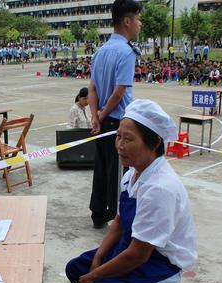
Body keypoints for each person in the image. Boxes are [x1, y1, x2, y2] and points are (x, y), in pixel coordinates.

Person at [60, 99, 197, 283]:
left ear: (154, 143)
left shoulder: (160, 188)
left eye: (129, 139)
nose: (120, 145)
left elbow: (137, 256)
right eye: (118, 137)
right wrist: (99, 257)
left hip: (157, 269)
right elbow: (121, 222)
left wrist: (95, 276)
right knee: (75, 269)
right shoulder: (133, 174)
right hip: (134, 250)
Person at [89, 0, 142, 229]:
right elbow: (120, 91)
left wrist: (95, 116)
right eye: (138, 19)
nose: (139, 24)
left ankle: (97, 213)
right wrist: (101, 115)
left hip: (101, 120)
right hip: (118, 121)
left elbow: (92, 89)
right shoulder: (126, 53)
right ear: (127, 21)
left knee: (101, 166)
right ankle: (116, 217)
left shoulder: (100, 52)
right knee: (119, 171)